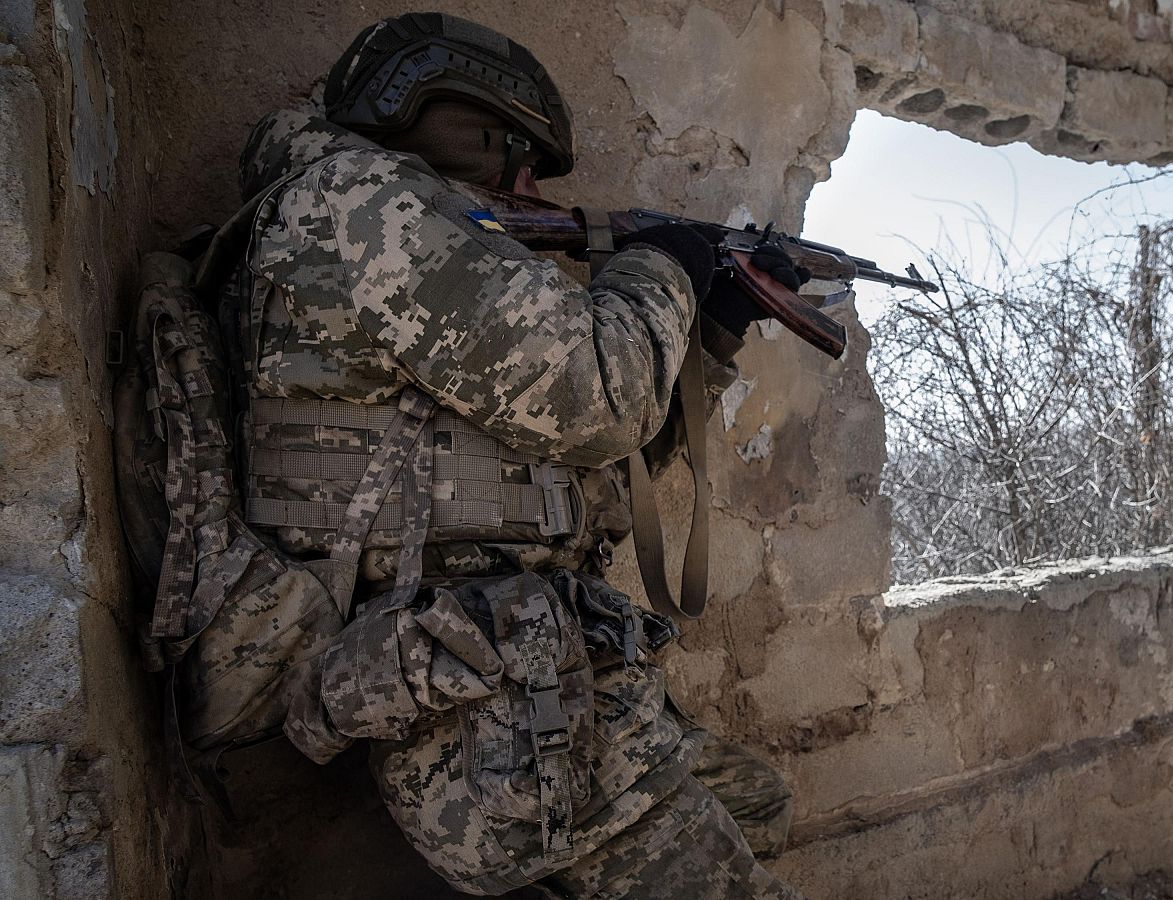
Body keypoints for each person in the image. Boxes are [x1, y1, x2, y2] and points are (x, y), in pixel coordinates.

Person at [220, 11, 806, 898]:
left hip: (527, 651)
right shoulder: (357, 206)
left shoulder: (405, 223)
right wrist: (659, 270)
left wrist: (712, 331)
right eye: (521, 156)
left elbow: (598, 462)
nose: (530, 186)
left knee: (758, 806)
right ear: (449, 115)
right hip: (455, 675)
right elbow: (596, 397)